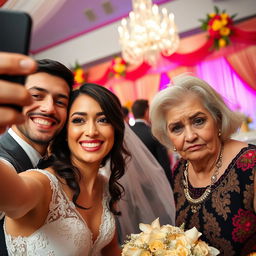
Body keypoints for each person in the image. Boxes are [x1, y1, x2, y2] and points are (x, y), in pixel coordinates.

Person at [0, 83, 128, 255]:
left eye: (103, 120)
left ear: (115, 129)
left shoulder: (104, 186)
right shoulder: (42, 185)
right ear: (65, 132)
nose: (91, 131)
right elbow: (11, 197)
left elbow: (109, 250)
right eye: (78, 120)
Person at [150, 74, 256, 255]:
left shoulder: (251, 164)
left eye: (198, 121)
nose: (190, 136)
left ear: (218, 119)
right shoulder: (179, 171)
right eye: (177, 128)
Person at [0, 57, 74, 255]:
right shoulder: (3, 158)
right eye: (36, 96)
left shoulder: (59, 164)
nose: (49, 108)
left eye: (60, 102)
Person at [131, 99, 172, 184]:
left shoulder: (127, 134)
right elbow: (164, 163)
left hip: (135, 181)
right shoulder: (153, 133)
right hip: (155, 181)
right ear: (147, 112)